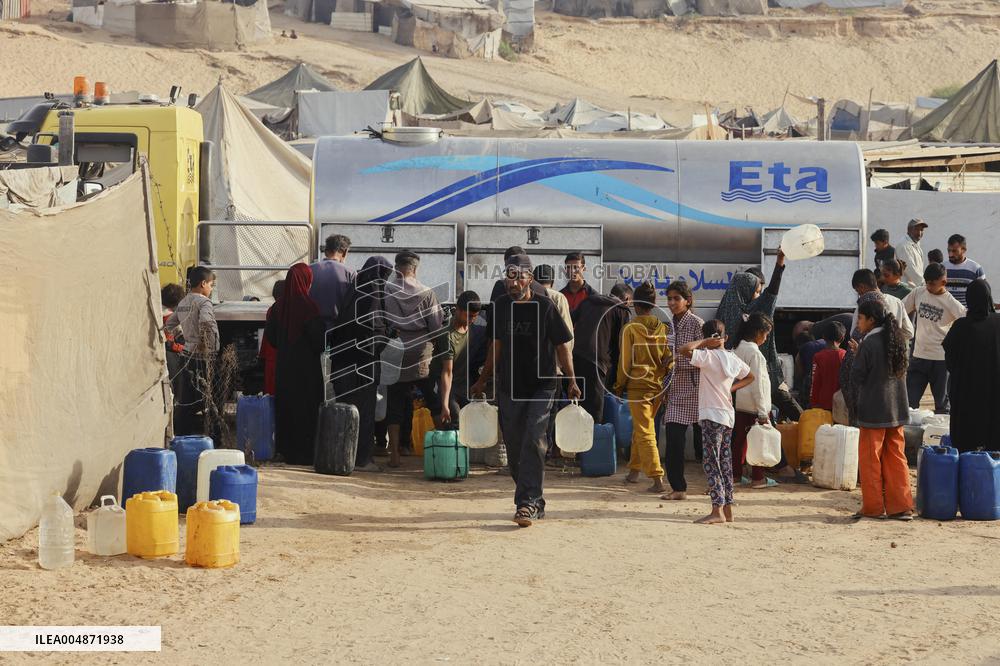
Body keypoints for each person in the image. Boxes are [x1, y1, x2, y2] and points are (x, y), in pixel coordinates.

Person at [470, 255, 579, 527]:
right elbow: (495, 346)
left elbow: (562, 345)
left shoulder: (545, 305)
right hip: (510, 386)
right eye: (510, 275)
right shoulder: (501, 307)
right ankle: (533, 498)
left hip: (542, 385)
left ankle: (526, 503)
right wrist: (483, 379)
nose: (514, 281)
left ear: (530, 279)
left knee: (533, 437)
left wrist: (571, 379)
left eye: (520, 276)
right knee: (516, 445)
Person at [681, 320, 754, 525]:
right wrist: (730, 388)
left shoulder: (708, 357)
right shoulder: (732, 359)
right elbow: (750, 376)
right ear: (726, 337)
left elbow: (684, 349)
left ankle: (717, 510)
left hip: (711, 415)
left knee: (712, 462)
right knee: (724, 462)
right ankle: (728, 509)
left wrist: (703, 342)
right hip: (727, 416)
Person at [849, 299, 913, 520]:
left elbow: (857, 376)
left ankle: (874, 508)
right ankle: (902, 507)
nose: (858, 323)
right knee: (896, 457)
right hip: (897, 410)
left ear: (871, 319)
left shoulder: (869, 342)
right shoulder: (897, 339)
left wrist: (858, 355)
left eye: (860, 318)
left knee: (870, 460)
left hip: (873, 411)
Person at [383, 251, 447, 467]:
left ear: (396, 268)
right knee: (432, 399)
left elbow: (382, 321)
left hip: (395, 351)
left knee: (395, 401)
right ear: (416, 269)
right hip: (422, 354)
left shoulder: (387, 291)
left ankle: (394, 455)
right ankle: (444, 448)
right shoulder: (427, 293)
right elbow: (436, 327)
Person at [331, 257, 393, 472]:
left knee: (345, 411)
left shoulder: (354, 289)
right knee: (364, 412)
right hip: (363, 365)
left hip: (342, 363)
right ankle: (362, 460)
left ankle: (341, 455)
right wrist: (389, 334)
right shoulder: (375, 291)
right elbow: (374, 331)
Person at [264, 264, 325, 465]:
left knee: (286, 407)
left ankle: (285, 450)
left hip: (284, 367)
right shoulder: (310, 307)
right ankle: (305, 453)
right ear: (306, 281)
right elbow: (319, 341)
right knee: (307, 408)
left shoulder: (276, 308)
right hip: (307, 369)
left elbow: (271, 339)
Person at [615, 282, 672, 494]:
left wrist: (619, 385)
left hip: (638, 387)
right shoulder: (662, 327)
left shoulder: (630, 328)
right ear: (654, 304)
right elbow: (668, 358)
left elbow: (625, 362)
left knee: (645, 431)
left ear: (635, 305)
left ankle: (657, 478)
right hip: (657, 387)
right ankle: (634, 470)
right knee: (642, 427)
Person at [944, 280, 1000, 453]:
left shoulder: (960, 327)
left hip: (966, 393)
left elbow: (950, 360)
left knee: (966, 441)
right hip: (995, 391)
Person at [903, 262, 966, 414]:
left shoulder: (952, 303)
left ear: (943, 282)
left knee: (942, 405)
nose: (928, 286)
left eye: (932, 283)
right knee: (909, 403)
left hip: (941, 361)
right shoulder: (918, 292)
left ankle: (942, 435)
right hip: (918, 357)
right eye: (926, 282)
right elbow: (901, 309)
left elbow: (967, 324)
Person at [661, 281, 704, 500]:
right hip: (676, 389)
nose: (672, 303)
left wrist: (679, 359)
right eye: (669, 299)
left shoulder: (698, 324)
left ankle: (713, 484)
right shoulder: (670, 325)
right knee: (674, 442)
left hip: (698, 389)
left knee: (705, 443)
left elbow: (707, 358)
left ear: (687, 301)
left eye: (676, 298)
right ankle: (678, 488)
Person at [165, 267, 220, 436]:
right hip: (203, 358)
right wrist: (205, 343)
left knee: (186, 400)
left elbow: (169, 325)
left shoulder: (183, 302)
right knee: (210, 399)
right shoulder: (204, 302)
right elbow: (206, 322)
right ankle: (215, 437)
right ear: (203, 283)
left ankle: (182, 436)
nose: (211, 289)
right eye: (211, 285)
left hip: (186, 356)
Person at [571, 282, 632, 422]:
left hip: (575, 359)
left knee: (576, 405)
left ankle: (576, 441)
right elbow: (621, 347)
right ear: (627, 299)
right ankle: (594, 442)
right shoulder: (621, 310)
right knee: (595, 410)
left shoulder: (587, 301)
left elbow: (569, 322)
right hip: (598, 364)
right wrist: (619, 379)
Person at [731, 313, 774, 489]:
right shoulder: (754, 353)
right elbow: (758, 384)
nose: (766, 338)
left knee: (739, 441)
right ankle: (758, 478)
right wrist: (763, 411)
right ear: (758, 332)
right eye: (766, 334)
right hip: (756, 405)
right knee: (759, 441)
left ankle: (736, 475)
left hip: (740, 404)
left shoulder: (738, 348)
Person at [431, 291, 484, 424]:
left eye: (475, 316)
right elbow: (447, 373)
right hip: (448, 387)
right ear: (458, 310)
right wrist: (444, 405)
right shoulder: (447, 335)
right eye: (469, 316)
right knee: (455, 419)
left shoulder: (475, 330)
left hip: (466, 385)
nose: (472, 320)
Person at [849, 269, 913, 342]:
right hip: (892, 351)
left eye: (858, 291)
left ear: (862, 287)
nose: (859, 295)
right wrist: (893, 340)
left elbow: (853, 334)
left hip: (871, 351)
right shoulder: (897, 302)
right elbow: (909, 332)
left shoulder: (863, 306)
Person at [309, 234, 356, 332]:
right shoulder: (350, 273)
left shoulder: (309, 269)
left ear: (326, 252)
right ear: (344, 252)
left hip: (311, 327)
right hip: (338, 329)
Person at [809, 322, 847, 411]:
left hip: (822, 405)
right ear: (842, 338)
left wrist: (814, 403)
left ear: (823, 337)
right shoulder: (845, 355)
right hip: (841, 405)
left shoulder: (818, 357)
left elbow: (815, 381)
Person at [945, 234, 986, 308]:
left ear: (964, 250)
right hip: (945, 315)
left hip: (968, 316)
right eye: (949, 250)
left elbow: (983, 295)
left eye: (954, 251)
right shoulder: (941, 268)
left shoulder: (976, 269)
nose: (950, 254)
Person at [259, 279, 283, 396]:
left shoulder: (272, 309)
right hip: (279, 353)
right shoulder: (284, 309)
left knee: (270, 386)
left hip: (270, 353)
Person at [161, 283, 186, 396]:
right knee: (178, 382)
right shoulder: (170, 317)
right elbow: (171, 343)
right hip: (167, 353)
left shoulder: (157, 311)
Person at [795, 330, 825, 410]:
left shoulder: (803, 349)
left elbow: (800, 372)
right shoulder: (824, 342)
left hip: (812, 378)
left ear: (799, 345)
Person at [896, 218, 927, 288]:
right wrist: (925, 286)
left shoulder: (915, 244)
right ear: (909, 230)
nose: (919, 233)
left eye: (921, 230)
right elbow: (912, 271)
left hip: (914, 288)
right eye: (916, 229)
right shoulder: (904, 246)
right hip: (908, 289)